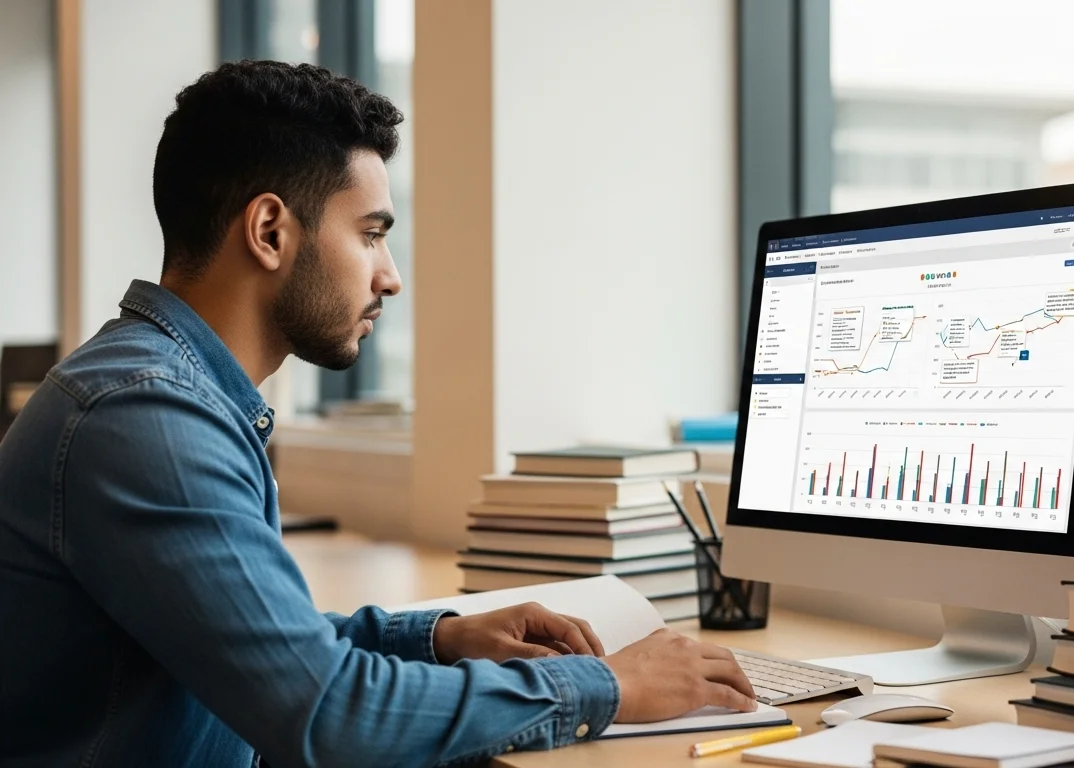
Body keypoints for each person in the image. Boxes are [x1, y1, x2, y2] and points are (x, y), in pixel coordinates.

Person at [0, 60, 755, 767]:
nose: (390, 279)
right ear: (270, 232)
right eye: (371, 235)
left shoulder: (154, 389)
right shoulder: (146, 416)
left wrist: (443, 639)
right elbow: (324, 711)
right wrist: (611, 687)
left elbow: (252, 643)